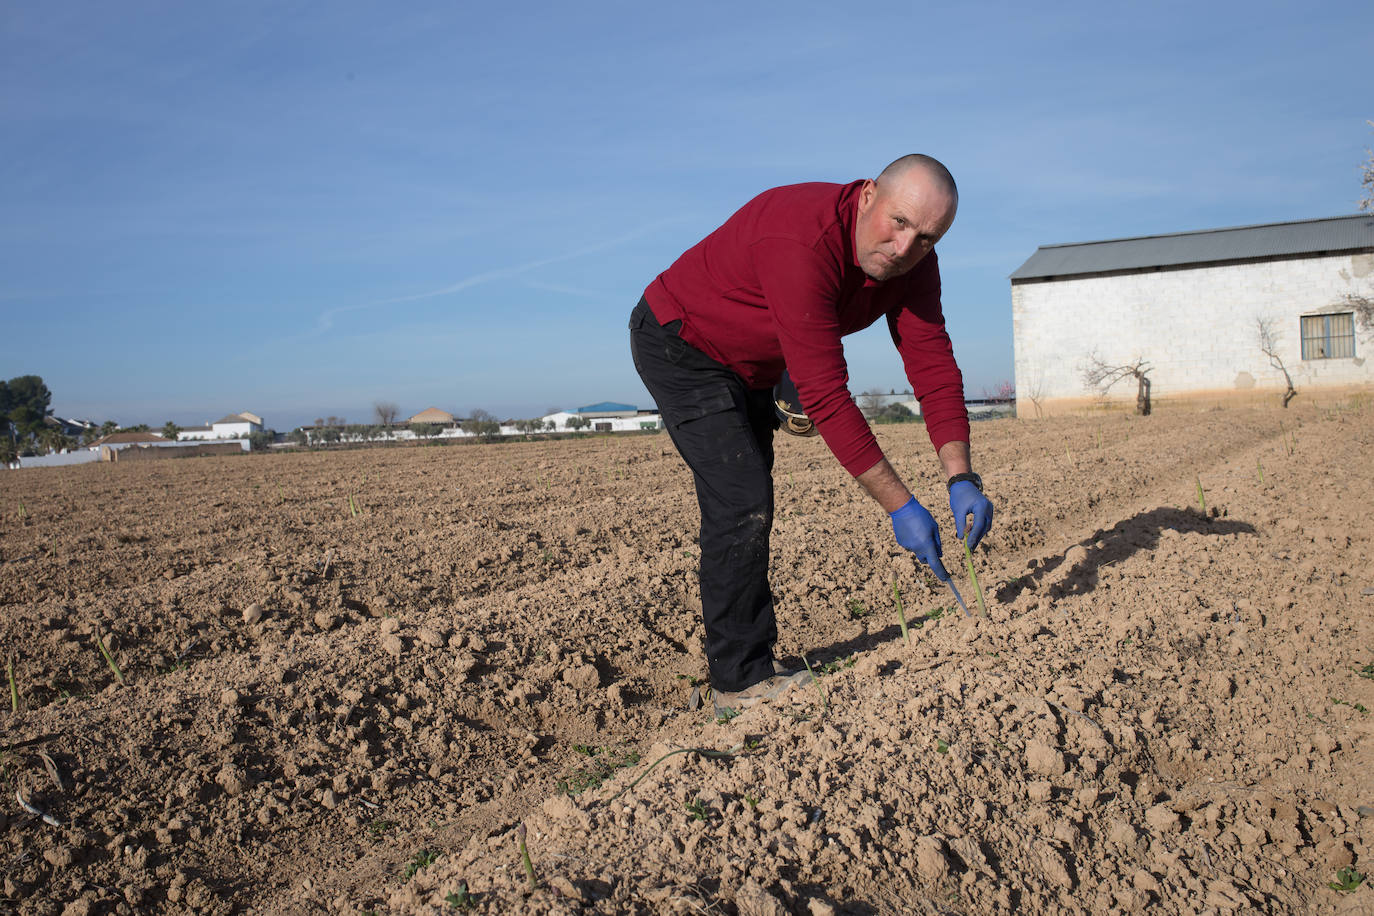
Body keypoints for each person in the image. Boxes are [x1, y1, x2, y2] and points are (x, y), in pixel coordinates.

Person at [629, 154, 994, 715]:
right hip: (685, 344)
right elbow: (829, 393)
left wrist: (960, 476)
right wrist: (900, 506)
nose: (904, 250)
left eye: (926, 238)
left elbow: (931, 361)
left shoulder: (916, 262)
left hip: (760, 356)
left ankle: (779, 397)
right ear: (869, 195)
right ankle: (739, 679)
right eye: (898, 223)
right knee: (743, 496)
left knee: (768, 454)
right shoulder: (801, 239)